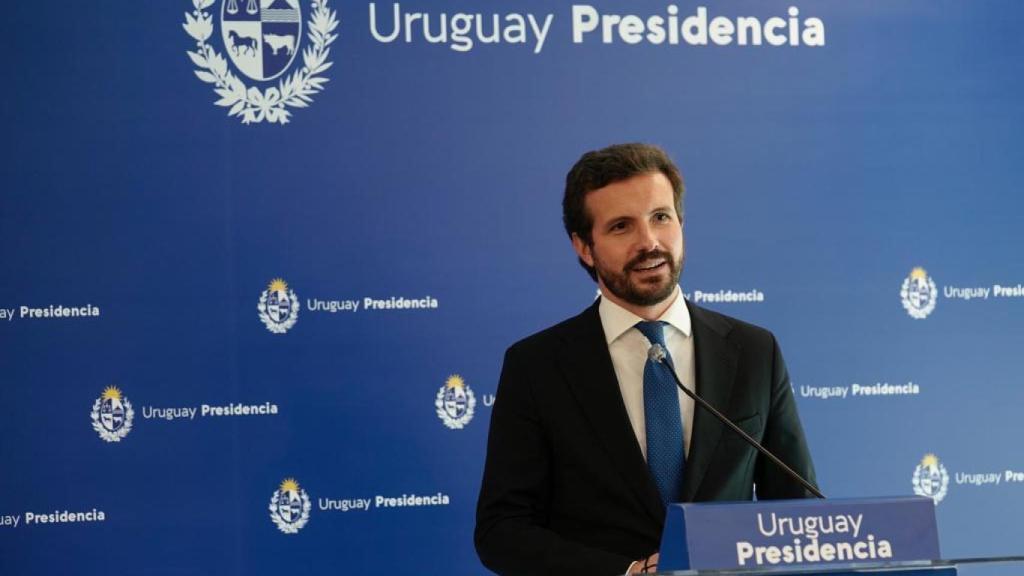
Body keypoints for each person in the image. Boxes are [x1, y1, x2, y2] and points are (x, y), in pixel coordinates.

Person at [475, 143, 817, 576]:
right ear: (584, 246)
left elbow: (798, 510)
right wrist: (628, 572)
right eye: (621, 227)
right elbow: (502, 531)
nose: (649, 242)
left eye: (661, 217)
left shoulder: (753, 351)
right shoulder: (537, 366)